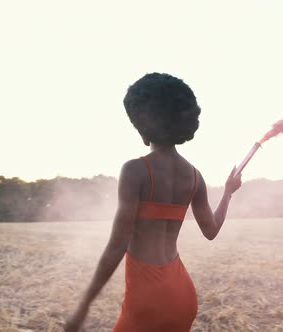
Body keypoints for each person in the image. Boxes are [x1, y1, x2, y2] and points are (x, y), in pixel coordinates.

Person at [64, 73, 242, 332]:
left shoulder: (135, 170)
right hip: (182, 294)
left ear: (144, 124)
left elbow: (116, 246)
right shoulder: (195, 176)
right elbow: (211, 231)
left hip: (147, 301)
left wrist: (83, 307)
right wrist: (227, 193)